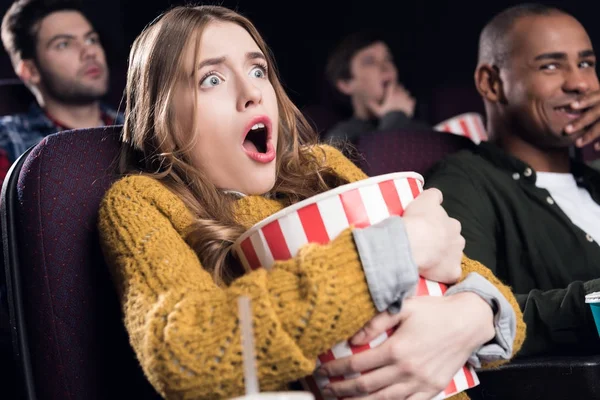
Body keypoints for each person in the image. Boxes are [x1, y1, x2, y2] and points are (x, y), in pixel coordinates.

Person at [98, 5, 525, 399]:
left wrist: (472, 317)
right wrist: (402, 248)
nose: (252, 93)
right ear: (163, 116)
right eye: (211, 78)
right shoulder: (141, 202)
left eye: (258, 70)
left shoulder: (321, 169)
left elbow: (504, 311)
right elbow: (187, 356)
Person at [426, 3, 600, 358]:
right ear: (491, 83)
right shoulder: (464, 181)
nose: (579, 82)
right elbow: (462, 318)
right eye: (551, 65)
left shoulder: (593, 177)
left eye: (586, 64)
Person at [0, 0, 124, 164]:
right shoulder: (7, 141)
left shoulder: (137, 129)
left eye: (91, 39)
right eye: (64, 44)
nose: (89, 52)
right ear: (30, 70)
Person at [323, 32, 429, 144]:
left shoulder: (420, 128)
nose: (385, 67)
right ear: (345, 84)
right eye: (370, 62)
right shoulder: (340, 138)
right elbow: (387, 158)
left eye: (388, 58)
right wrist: (395, 114)